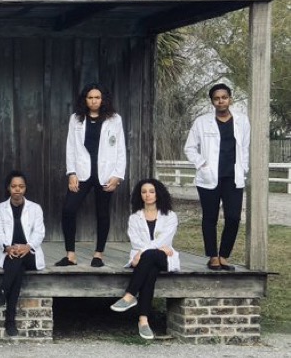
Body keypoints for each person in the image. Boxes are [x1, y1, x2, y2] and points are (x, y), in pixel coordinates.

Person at [56, 83, 126, 267]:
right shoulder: (76, 119)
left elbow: (120, 149)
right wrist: (71, 173)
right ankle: (70, 255)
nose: (94, 101)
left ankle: (98, 255)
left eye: (97, 97)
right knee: (69, 209)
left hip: (106, 173)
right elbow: (70, 147)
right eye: (90, 97)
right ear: (85, 100)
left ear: (103, 100)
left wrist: (117, 175)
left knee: (102, 213)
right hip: (82, 172)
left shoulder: (114, 119)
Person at [184, 83, 250, 271]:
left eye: (224, 97)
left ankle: (224, 256)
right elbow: (189, 148)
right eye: (217, 98)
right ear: (212, 101)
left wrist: (244, 168)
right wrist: (202, 164)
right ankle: (213, 256)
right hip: (209, 178)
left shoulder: (242, 121)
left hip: (233, 177)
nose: (221, 101)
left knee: (233, 217)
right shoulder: (202, 122)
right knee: (210, 218)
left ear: (230, 99)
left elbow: (245, 147)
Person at [110, 179, 180, 340]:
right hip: (148, 259)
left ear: (158, 194)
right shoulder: (135, 218)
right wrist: (151, 250)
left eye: (151, 191)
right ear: (140, 195)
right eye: (144, 192)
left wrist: (141, 253)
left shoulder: (170, 216)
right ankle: (143, 320)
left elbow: (164, 240)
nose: (148, 195)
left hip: (164, 257)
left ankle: (129, 296)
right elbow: (135, 241)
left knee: (149, 256)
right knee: (151, 270)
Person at [0, 171, 46, 337]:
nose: (17, 190)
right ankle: (10, 321)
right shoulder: (0, 209)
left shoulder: (35, 208)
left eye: (21, 186)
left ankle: (2, 291)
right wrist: (7, 247)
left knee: (18, 260)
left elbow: (39, 232)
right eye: (14, 186)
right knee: (17, 270)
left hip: (30, 254)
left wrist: (28, 246)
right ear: (8, 188)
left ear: (25, 188)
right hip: (10, 253)